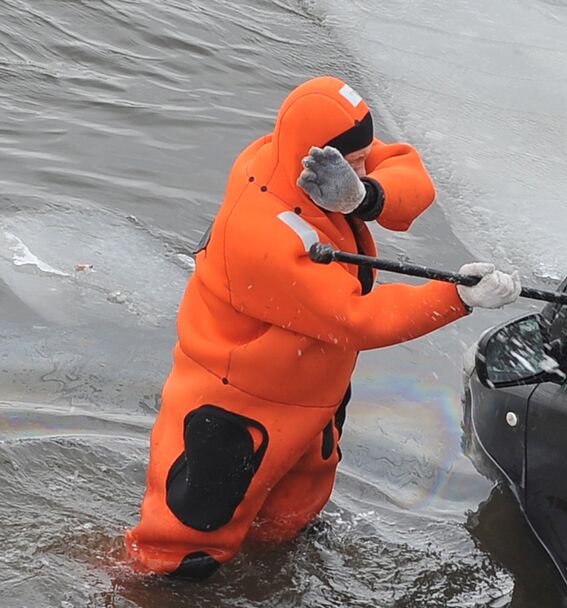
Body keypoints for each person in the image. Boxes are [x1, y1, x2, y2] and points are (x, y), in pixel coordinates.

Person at [126, 76, 520, 580]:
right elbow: (354, 318)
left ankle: (266, 583)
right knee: (188, 541)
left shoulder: (306, 153)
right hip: (236, 407)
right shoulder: (262, 232)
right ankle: (138, 606)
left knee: (288, 521)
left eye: (359, 161)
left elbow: (407, 170)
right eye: (353, 163)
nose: (361, 167)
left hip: (313, 396)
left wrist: (365, 197)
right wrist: (457, 297)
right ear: (309, 157)